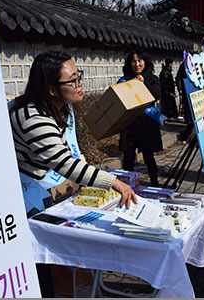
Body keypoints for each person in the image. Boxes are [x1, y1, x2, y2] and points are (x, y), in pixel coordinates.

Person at [9, 51, 137, 209]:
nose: (80, 83)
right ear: (52, 90)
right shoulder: (33, 118)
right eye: (72, 80)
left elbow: (68, 149)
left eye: (79, 76)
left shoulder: (60, 107)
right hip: (24, 191)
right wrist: (113, 182)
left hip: (40, 183)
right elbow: (65, 164)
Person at [119, 50, 163, 186]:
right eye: (133, 61)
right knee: (128, 156)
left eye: (140, 60)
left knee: (148, 156)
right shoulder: (125, 79)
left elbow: (157, 95)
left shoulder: (152, 78)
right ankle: (128, 185)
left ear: (145, 61)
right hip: (130, 124)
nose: (137, 64)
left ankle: (154, 183)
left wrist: (144, 83)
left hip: (147, 124)